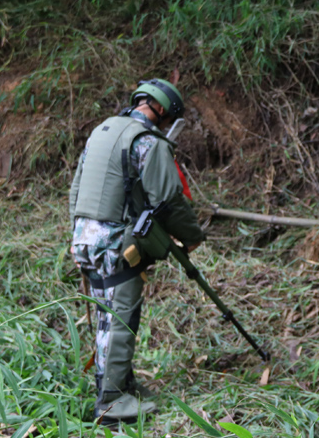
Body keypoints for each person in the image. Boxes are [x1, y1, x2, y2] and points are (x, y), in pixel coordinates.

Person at [69, 78, 205, 423]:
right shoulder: (147, 141)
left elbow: (75, 190)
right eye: (168, 117)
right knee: (119, 318)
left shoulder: (102, 131)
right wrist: (191, 236)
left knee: (106, 314)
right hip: (115, 243)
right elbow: (169, 200)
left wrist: (78, 235)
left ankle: (120, 383)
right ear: (161, 110)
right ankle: (112, 403)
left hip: (85, 237)